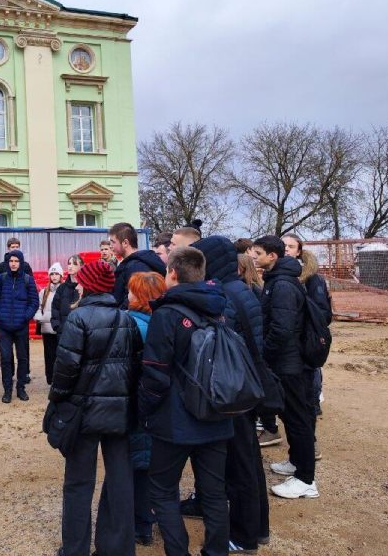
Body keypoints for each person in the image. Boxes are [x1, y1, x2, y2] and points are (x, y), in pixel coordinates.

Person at [139, 246, 233, 556]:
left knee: (163, 491)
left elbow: (155, 373)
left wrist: (145, 409)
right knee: (216, 493)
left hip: (175, 420)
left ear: (174, 274)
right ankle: (216, 552)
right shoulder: (221, 308)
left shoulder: (166, 314)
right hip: (218, 412)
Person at [51, 260, 143, 556]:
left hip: (84, 412)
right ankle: (117, 548)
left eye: (81, 280)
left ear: (89, 285)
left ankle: (75, 549)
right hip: (120, 413)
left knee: (78, 483)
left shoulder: (78, 319)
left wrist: (58, 402)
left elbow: (65, 370)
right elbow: (136, 369)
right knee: (120, 482)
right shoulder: (126, 319)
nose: (76, 283)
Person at [193, 236, 271, 552]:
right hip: (248, 385)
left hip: (235, 389)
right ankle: (258, 528)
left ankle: (243, 535)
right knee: (250, 461)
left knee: (239, 465)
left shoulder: (224, 296)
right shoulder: (242, 289)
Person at [251, 235, 318, 499]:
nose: (254, 257)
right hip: (285, 360)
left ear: (272, 256)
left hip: (289, 363)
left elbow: (281, 328)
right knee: (291, 416)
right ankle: (296, 462)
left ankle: (306, 479)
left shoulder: (282, 286)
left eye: (258, 253)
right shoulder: (276, 281)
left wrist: (265, 356)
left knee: (298, 419)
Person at [127, 271, 167, 547]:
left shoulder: (132, 326)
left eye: (131, 291)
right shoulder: (164, 323)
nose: (126, 295)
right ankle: (154, 516)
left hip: (137, 405)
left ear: (140, 296)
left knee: (138, 465)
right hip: (160, 408)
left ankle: (141, 525)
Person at [283, 234, 332, 453]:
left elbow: (323, 314)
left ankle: (308, 449)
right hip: (289, 348)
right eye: (283, 246)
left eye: (291, 246)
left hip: (306, 346)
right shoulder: (277, 277)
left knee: (306, 397)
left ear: (299, 252)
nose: (286, 250)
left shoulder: (313, 279)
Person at [0, 250, 39, 403]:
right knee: (5, 358)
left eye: (16, 261)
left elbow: (34, 302)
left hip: (21, 327)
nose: (13, 264)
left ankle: (21, 388)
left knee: (23, 358)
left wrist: (25, 317)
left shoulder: (27, 280)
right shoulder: (1, 279)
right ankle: (7, 390)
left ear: (21, 262)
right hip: (4, 327)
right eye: (11, 261)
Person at [108, 222, 166, 309]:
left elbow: (137, 299)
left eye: (113, 242)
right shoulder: (131, 263)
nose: (111, 246)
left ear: (125, 243)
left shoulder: (136, 266)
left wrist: (120, 314)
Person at [34, 262, 64, 385]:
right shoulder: (44, 292)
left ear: (61, 276)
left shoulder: (64, 291)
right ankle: (51, 380)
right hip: (47, 328)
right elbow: (38, 307)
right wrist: (40, 318)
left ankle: (60, 380)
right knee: (49, 355)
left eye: (57, 274)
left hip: (61, 329)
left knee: (61, 355)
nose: (54, 276)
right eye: (52, 274)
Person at [51, 255, 84, 334]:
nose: (70, 266)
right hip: (63, 332)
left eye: (75, 264)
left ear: (81, 266)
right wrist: (57, 327)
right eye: (69, 263)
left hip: (80, 332)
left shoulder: (85, 288)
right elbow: (55, 307)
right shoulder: (61, 288)